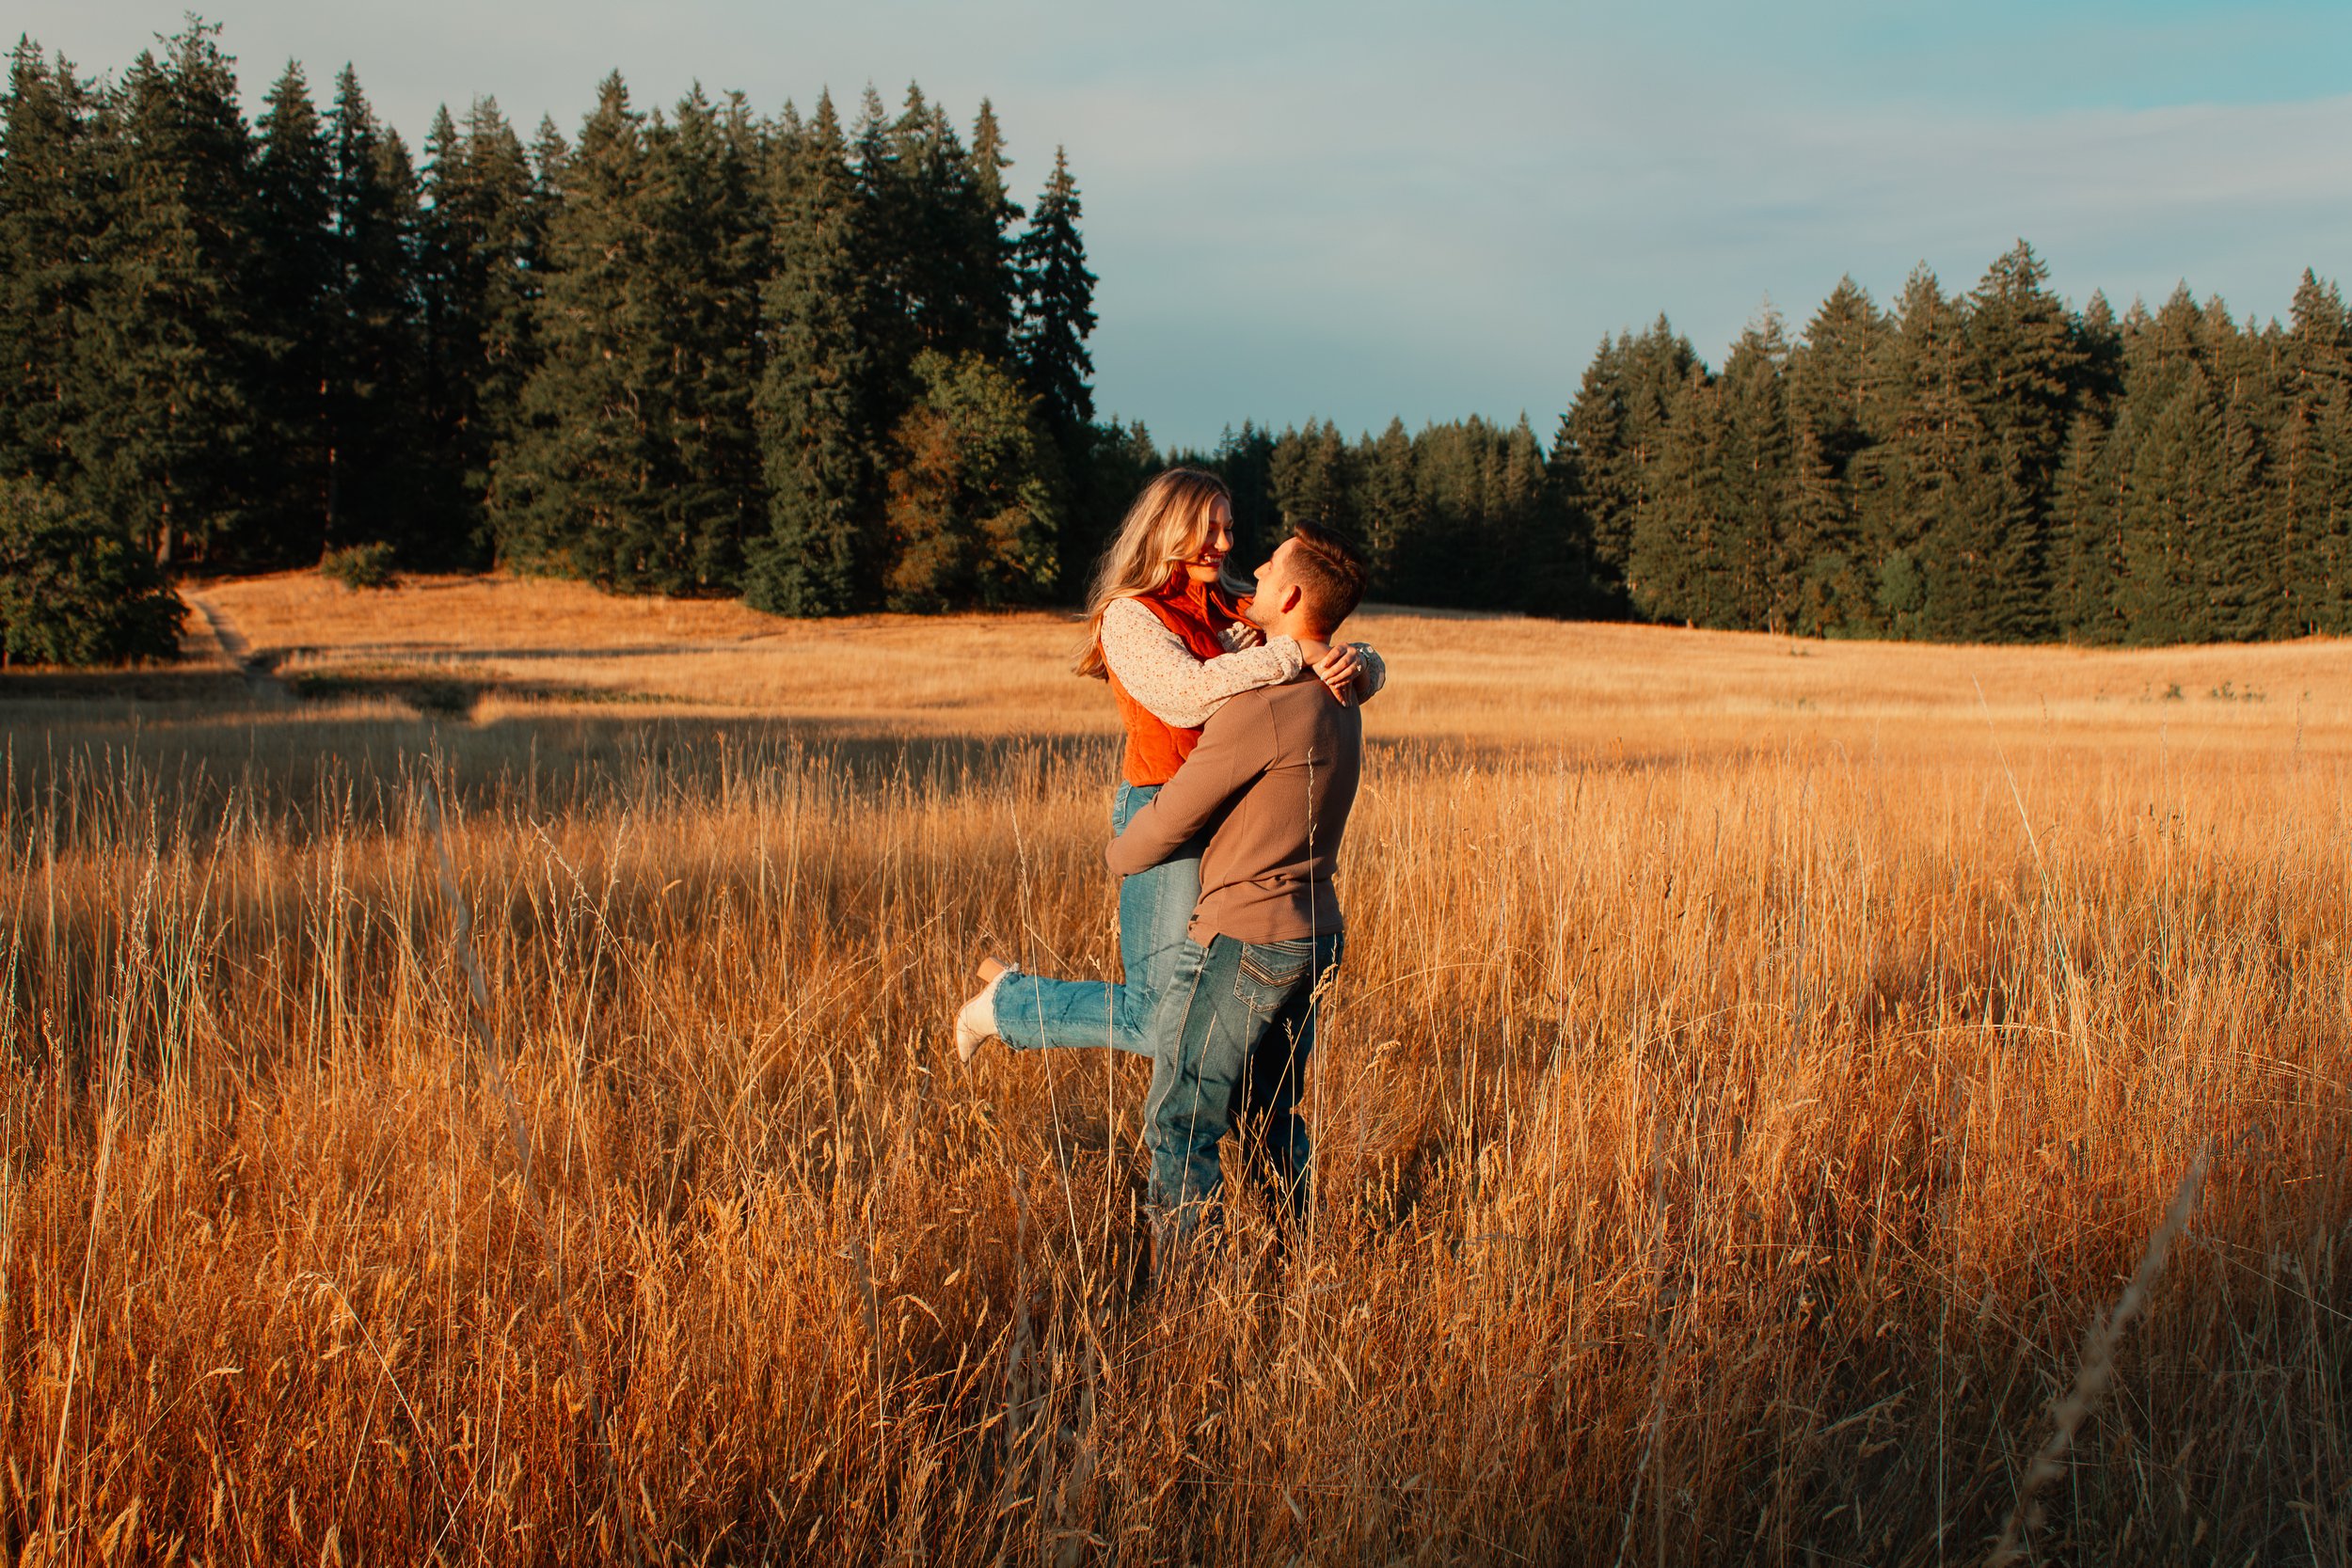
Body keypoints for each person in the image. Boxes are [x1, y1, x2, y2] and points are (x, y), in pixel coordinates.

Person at [953, 469, 1384, 1061]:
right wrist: (1292, 654)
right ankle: (1007, 1007)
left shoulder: (1235, 603)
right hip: (1164, 809)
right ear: (1165, 528)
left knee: (1212, 1013)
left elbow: (1327, 636)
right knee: (1157, 1019)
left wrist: (1357, 661)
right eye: (1209, 529)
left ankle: (1220, 1133)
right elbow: (1184, 695)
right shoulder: (1129, 616)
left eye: (1229, 529)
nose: (1226, 544)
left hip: (1235, 818)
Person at [1104, 521, 1368, 1240]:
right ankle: (1295, 1262)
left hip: (1244, 939)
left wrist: (1118, 855)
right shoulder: (1342, 694)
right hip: (1315, 935)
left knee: (1182, 1119)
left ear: (1289, 593)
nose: (1250, 565)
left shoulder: (1266, 707)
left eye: (1270, 562)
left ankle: (1190, 1305)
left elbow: (1172, 817)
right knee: (1271, 1116)